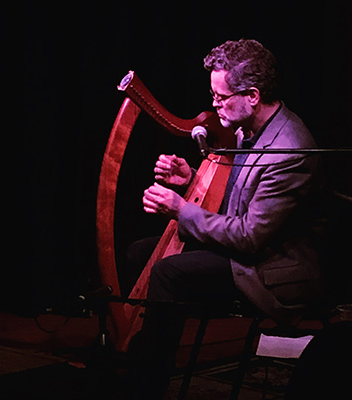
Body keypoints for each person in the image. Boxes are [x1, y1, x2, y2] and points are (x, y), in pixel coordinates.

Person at [121, 39, 324, 399]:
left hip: (267, 270)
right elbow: (236, 198)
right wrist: (189, 180)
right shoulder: (250, 129)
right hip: (244, 251)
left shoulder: (288, 149)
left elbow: (248, 236)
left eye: (221, 97)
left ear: (253, 95)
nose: (214, 105)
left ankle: (146, 384)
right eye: (213, 95)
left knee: (168, 271)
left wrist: (181, 209)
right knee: (140, 252)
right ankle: (136, 356)